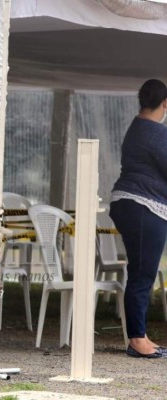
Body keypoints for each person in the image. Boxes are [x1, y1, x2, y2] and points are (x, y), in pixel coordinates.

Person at [110, 79, 167, 359]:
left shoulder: (137, 127)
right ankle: (136, 339)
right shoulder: (155, 132)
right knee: (143, 273)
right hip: (144, 206)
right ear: (165, 103)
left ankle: (140, 334)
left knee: (141, 271)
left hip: (130, 203)